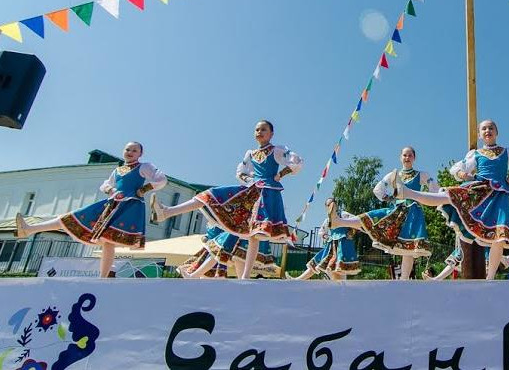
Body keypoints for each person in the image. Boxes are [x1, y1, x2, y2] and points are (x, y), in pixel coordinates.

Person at [337, 120, 509, 280]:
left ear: (497, 132)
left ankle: (490, 279)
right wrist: (462, 174)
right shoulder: (475, 154)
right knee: (448, 196)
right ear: (480, 133)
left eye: (491, 128)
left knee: (499, 236)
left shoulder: (506, 151)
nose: (487, 131)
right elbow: (458, 169)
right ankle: (407, 193)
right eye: (484, 128)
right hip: (479, 190)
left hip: (499, 196)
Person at [152, 120, 302, 279]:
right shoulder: (250, 154)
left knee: (254, 235)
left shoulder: (276, 150)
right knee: (210, 195)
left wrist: (281, 174)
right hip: (251, 192)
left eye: (263, 129)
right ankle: (167, 212)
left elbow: (295, 161)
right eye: (257, 130)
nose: (259, 132)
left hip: (268, 194)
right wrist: (248, 179)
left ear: (271, 134)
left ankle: (244, 277)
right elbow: (241, 172)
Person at [17, 142, 166, 278]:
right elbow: (106, 185)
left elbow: (161, 179)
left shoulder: (144, 167)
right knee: (71, 218)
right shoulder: (117, 170)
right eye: (128, 149)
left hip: (129, 206)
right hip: (111, 205)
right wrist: (111, 189)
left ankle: (103, 278)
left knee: (108, 241)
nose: (130, 152)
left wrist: (144, 189)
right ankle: (30, 229)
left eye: (135, 150)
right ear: (123, 151)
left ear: (140, 154)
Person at [327, 147, 437, 279]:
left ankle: (404, 280)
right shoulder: (393, 175)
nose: (407, 158)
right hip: (396, 210)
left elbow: (434, 190)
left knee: (409, 248)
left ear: (414, 158)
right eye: (404, 155)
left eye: (410, 155)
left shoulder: (422, 175)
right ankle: (339, 221)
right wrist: (389, 198)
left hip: (413, 213)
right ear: (400, 157)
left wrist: (423, 198)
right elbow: (377, 190)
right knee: (372, 218)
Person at [296, 212, 361, 280]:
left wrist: (351, 230)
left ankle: (336, 283)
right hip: (331, 245)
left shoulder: (345, 215)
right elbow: (321, 231)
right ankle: (298, 280)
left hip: (343, 244)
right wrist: (326, 236)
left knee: (339, 269)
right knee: (316, 262)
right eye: (328, 206)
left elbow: (357, 221)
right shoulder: (328, 220)